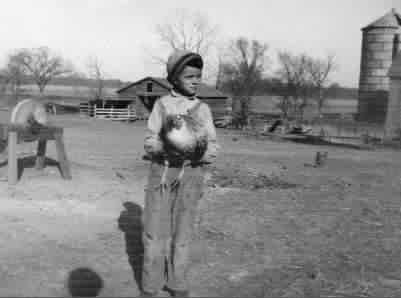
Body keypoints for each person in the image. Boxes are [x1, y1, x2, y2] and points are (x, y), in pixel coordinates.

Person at [141, 50, 219, 297]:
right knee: (154, 231)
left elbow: (213, 146)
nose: (195, 80)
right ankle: (151, 285)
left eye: (198, 76)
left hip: (192, 175)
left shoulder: (203, 109)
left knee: (183, 231)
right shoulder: (162, 105)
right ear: (174, 78)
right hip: (163, 173)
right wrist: (166, 148)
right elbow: (150, 140)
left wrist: (199, 152)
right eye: (189, 76)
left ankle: (178, 283)